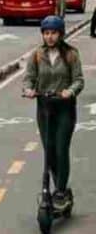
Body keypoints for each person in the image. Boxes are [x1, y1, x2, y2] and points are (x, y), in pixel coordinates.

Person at [23, 15, 85, 212]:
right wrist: (29, 90)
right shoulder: (36, 55)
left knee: (60, 149)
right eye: (46, 33)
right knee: (49, 152)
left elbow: (79, 80)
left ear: (61, 34)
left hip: (64, 109)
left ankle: (59, 191)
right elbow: (28, 78)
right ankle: (62, 188)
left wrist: (70, 91)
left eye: (54, 33)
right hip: (44, 109)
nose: (49, 37)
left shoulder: (71, 55)